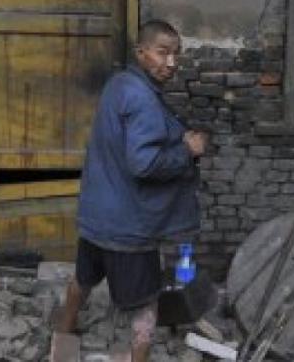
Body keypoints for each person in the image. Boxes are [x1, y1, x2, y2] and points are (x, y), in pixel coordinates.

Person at [54, 20, 208, 362]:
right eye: (162, 53)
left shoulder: (119, 84)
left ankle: (63, 331)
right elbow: (144, 164)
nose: (171, 63)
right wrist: (187, 150)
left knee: (83, 278)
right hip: (129, 228)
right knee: (146, 304)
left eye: (175, 55)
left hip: (98, 215)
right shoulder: (144, 102)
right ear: (142, 53)